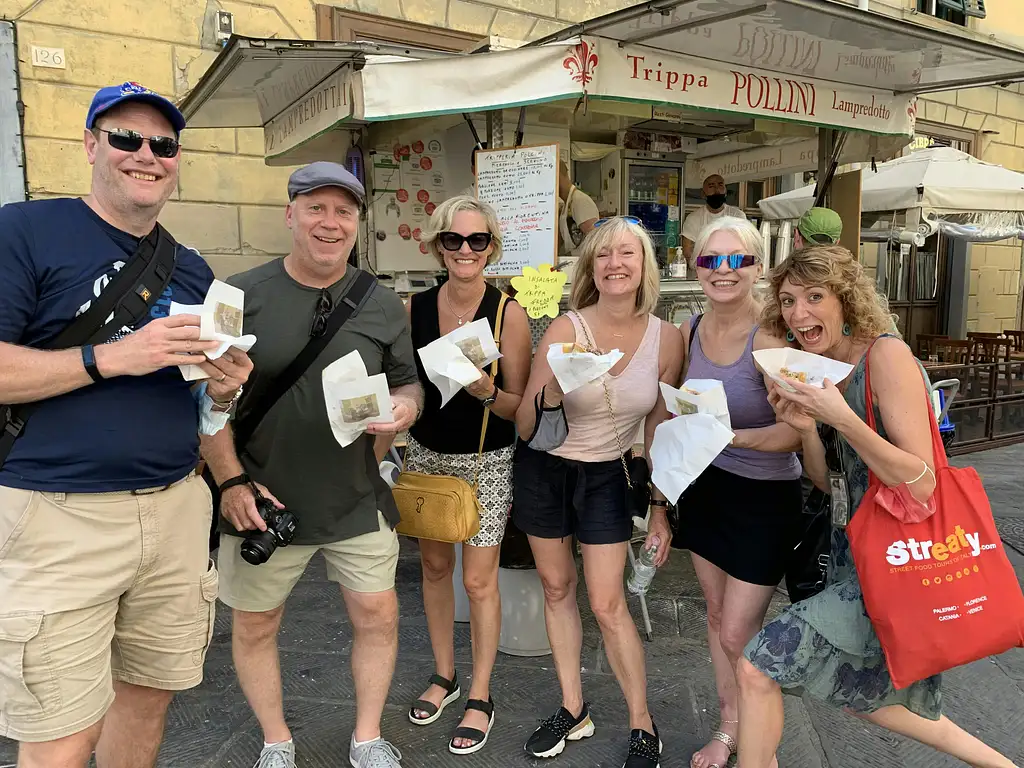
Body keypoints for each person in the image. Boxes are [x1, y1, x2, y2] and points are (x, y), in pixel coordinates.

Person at [0, 81, 252, 768]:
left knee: (147, 703)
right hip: (58, 516)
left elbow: (205, 409)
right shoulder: (22, 230)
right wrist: (111, 357)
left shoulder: (195, 269)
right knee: (61, 732)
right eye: (126, 139)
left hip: (174, 512)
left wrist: (226, 393)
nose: (146, 155)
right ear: (90, 146)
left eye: (163, 145)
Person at [736, 245, 1018, 768]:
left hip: (896, 555)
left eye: (814, 297)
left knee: (760, 666)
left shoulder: (884, 356)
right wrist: (805, 430)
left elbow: (922, 482)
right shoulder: (826, 367)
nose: (800, 314)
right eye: (789, 300)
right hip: (858, 552)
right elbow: (827, 480)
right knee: (862, 696)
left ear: (845, 300)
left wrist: (839, 417)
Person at [200, 162, 424, 768]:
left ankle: (367, 737)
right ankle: (276, 740)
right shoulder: (238, 295)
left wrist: (403, 410)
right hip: (263, 503)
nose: (330, 222)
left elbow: (408, 385)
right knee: (254, 626)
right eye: (316, 208)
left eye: (343, 211)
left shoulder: (381, 304)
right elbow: (204, 405)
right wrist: (230, 482)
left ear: (357, 223)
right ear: (290, 214)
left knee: (378, 618)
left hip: (355, 495)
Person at [513, 217, 684, 767]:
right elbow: (523, 425)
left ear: (644, 266)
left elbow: (659, 430)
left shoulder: (668, 339)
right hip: (547, 469)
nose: (615, 263)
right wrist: (555, 392)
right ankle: (572, 707)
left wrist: (660, 508)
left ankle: (641, 720)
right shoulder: (566, 329)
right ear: (590, 267)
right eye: (604, 254)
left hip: (610, 474)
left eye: (627, 253)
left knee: (609, 604)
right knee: (557, 589)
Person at [673, 218, 803, 768]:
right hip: (706, 488)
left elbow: (796, 429)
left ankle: (761, 750)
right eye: (711, 260)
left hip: (764, 497)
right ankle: (730, 730)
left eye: (737, 260)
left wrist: (736, 436)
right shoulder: (689, 327)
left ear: (756, 267)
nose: (723, 271)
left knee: (736, 632)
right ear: (697, 267)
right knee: (715, 615)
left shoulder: (770, 336)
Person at [404, 196, 532, 755]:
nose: (464, 250)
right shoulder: (415, 308)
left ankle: (480, 691)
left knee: (479, 581)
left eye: (476, 241)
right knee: (434, 569)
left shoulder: (510, 315)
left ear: (491, 248)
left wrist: (485, 390)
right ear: (436, 245)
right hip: (427, 454)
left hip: (486, 460)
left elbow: (519, 409)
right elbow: (406, 385)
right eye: (452, 240)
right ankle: (444, 674)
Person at [681, 174, 746, 269]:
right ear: (703, 194)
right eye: (711, 186)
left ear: (726, 191)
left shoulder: (738, 216)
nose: (717, 190)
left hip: (732, 270)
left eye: (720, 185)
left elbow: (745, 247)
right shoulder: (693, 218)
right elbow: (687, 252)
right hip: (702, 272)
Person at [557, 160, 600, 261]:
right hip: (573, 264)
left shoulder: (580, 201)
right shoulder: (566, 204)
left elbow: (595, 240)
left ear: (557, 176)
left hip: (582, 265)